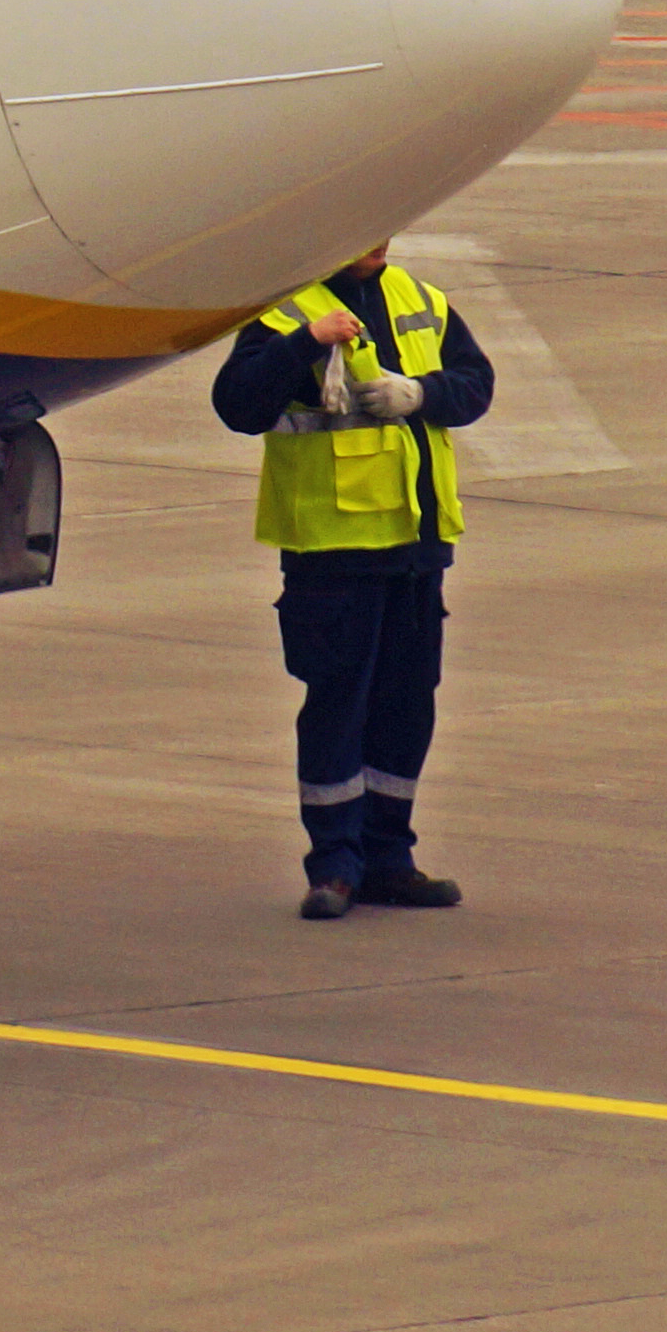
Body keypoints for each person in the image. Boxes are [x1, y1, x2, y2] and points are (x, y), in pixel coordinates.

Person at [211, 237, 491, 917]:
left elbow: (475, 385)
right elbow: (237, 406)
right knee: (338, 703)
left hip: (417, 546)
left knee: (407, 703)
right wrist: (306, 342)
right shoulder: (284, 315)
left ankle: (389, 857)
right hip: (333, 550)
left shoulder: (420, 300)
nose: (375, 243)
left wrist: (420, 394)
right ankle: (335, 863)